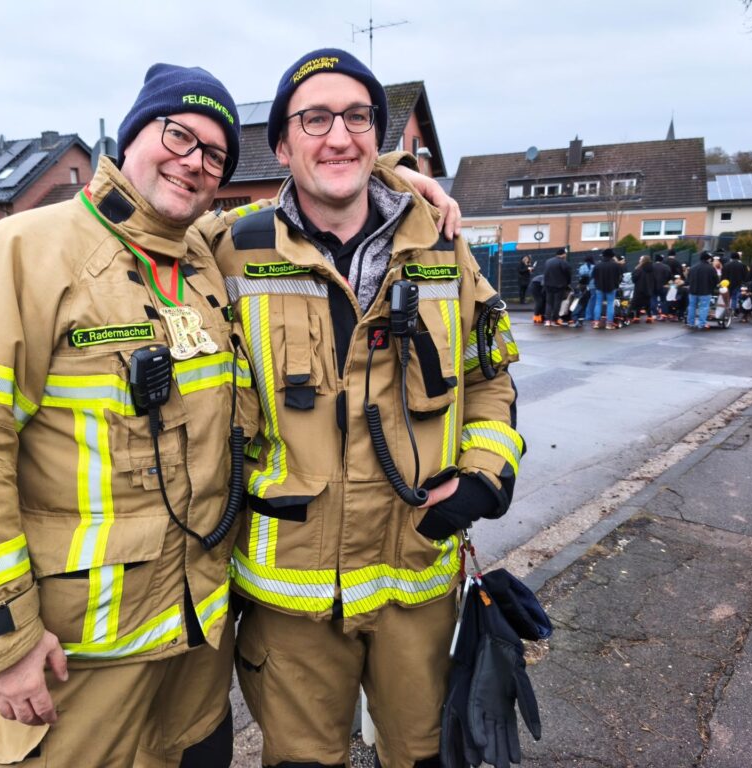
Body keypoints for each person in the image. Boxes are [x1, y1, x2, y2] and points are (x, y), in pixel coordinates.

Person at [0, 62, 462, 767]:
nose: (194, 161)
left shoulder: (201, 255)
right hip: (81, 656)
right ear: (131, 135)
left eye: (215, 154)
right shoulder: (25, 250)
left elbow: (329, 183)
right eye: (178, 135)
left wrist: (397, 177)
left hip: (197, 649)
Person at [209, 48, 523, 768]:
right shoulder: (228, 250)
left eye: (357, 118)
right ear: (280, 145)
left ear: (378, 137)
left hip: (417, 582)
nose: (338, 136)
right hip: (289, 600)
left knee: (425, 758)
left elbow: (491, 377)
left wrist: (483, 475)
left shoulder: (442, 245)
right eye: (314, 119)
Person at [591, 249, 624, 329]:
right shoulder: (616, 265)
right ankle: (609, 324)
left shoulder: (597, 265)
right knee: (610, 304)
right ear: (612, 256)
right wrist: (616, 284)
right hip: (612, 287)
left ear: (603, 255)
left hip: (599, 287)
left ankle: (596, 323)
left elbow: (593, 276)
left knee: (598, 303)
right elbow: (620, 277)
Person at [686, 252, 719, 330]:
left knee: (692, 307)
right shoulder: (711, 268)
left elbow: (688, 280)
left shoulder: (693, 267)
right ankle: (701, 324)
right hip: (705, 291)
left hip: (693, 291)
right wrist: (712, 288)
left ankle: (690, 323)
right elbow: (716, 280)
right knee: (704, 307)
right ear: (708, 259)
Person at [542, 247, 571, 326]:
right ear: (563, 254)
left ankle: (547, 320)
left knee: (549, 303)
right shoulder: (564, 263)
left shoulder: (548, 261)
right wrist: (568, 283)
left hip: (548, 285)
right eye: (565, 254)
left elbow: (545, 273)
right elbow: (568, 274)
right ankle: (555, 319)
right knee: (557, 303)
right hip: (559, 286)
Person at [723, 252, 749, 320]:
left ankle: (725, 312)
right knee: (734, 298)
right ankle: (732, 312)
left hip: (727, 284)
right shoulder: (742, 265)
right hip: (738, 284)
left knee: (727, 298)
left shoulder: (726, 265)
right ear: (738, 257)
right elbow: (746, 276)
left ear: (731, 257)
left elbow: (723, 275)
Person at [629, 254, 655, 323]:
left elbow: (634, 279)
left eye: (640, 259)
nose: (639, 260)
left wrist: (634, 271)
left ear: (643, 260)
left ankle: (637, 318)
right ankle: (649, 317)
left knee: (637, 303)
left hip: (639, 288)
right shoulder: (652, 268)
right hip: (649, 288)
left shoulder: (639, 269)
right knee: (647, 303)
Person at [651, 252, 672, 320]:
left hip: (653, 286)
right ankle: (663, 314)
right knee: (664, 300)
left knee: (653, 299)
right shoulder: (666, 267)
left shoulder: (651, 266)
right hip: (664, 285)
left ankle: (654, 314)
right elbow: (669, 277)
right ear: (662, 259)